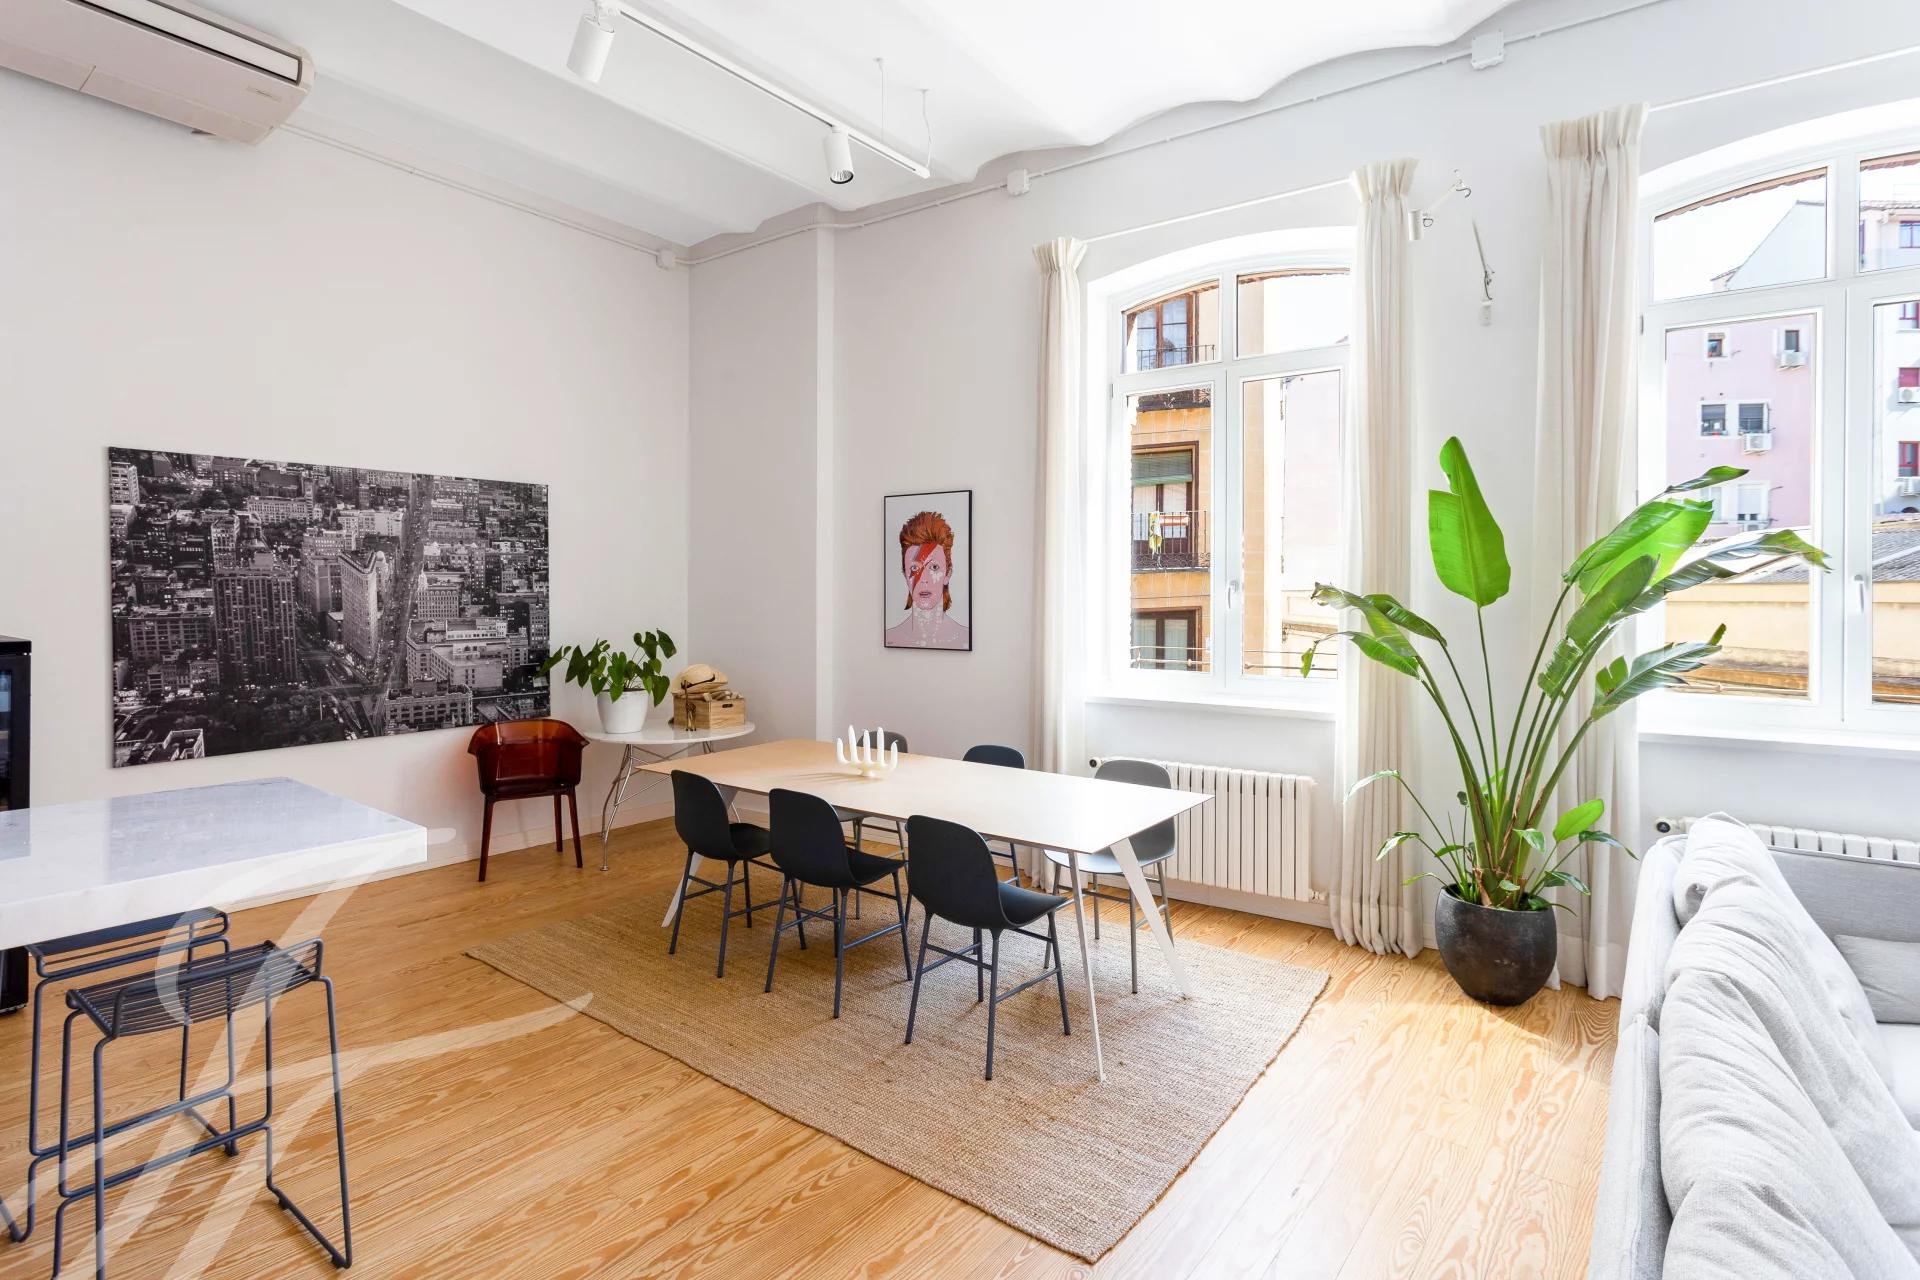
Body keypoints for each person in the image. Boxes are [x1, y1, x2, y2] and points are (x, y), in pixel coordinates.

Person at [884, 510, 969, 649]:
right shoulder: (890, 638)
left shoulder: (965, 638)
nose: (923, 579)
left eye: (934, 567)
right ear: (905, 575)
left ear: (948, 574)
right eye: (914, 568)